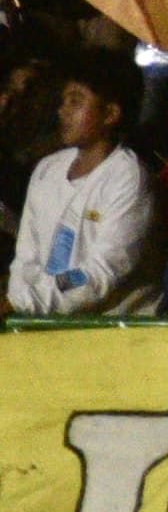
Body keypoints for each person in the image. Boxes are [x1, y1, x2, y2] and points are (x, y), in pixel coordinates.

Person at [7, 52, 159, 316]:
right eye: (63, 101)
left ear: (110, 114)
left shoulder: (127, 176)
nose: (62, 111)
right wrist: (19, 298)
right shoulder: (47, 170)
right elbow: (26, 260)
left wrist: (25, 302)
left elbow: (101, 272)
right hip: (43, 321)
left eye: (76, 102)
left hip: (113, 329)